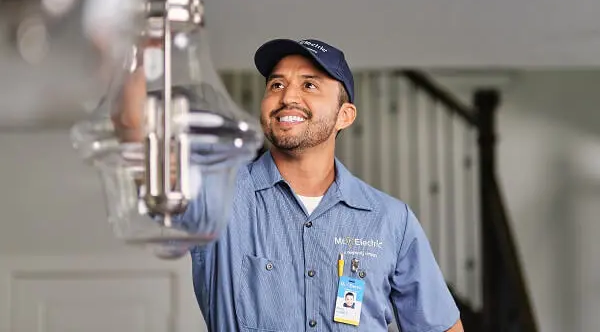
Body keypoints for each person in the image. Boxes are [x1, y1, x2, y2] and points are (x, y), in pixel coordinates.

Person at [113, 38, 464, 331]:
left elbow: (442, 327)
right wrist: (138, 52)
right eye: (276, 84)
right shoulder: (217, 197)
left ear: (345, 115)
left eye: (309, 85)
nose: (287, 97)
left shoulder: (390, 220)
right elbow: (136, 135)